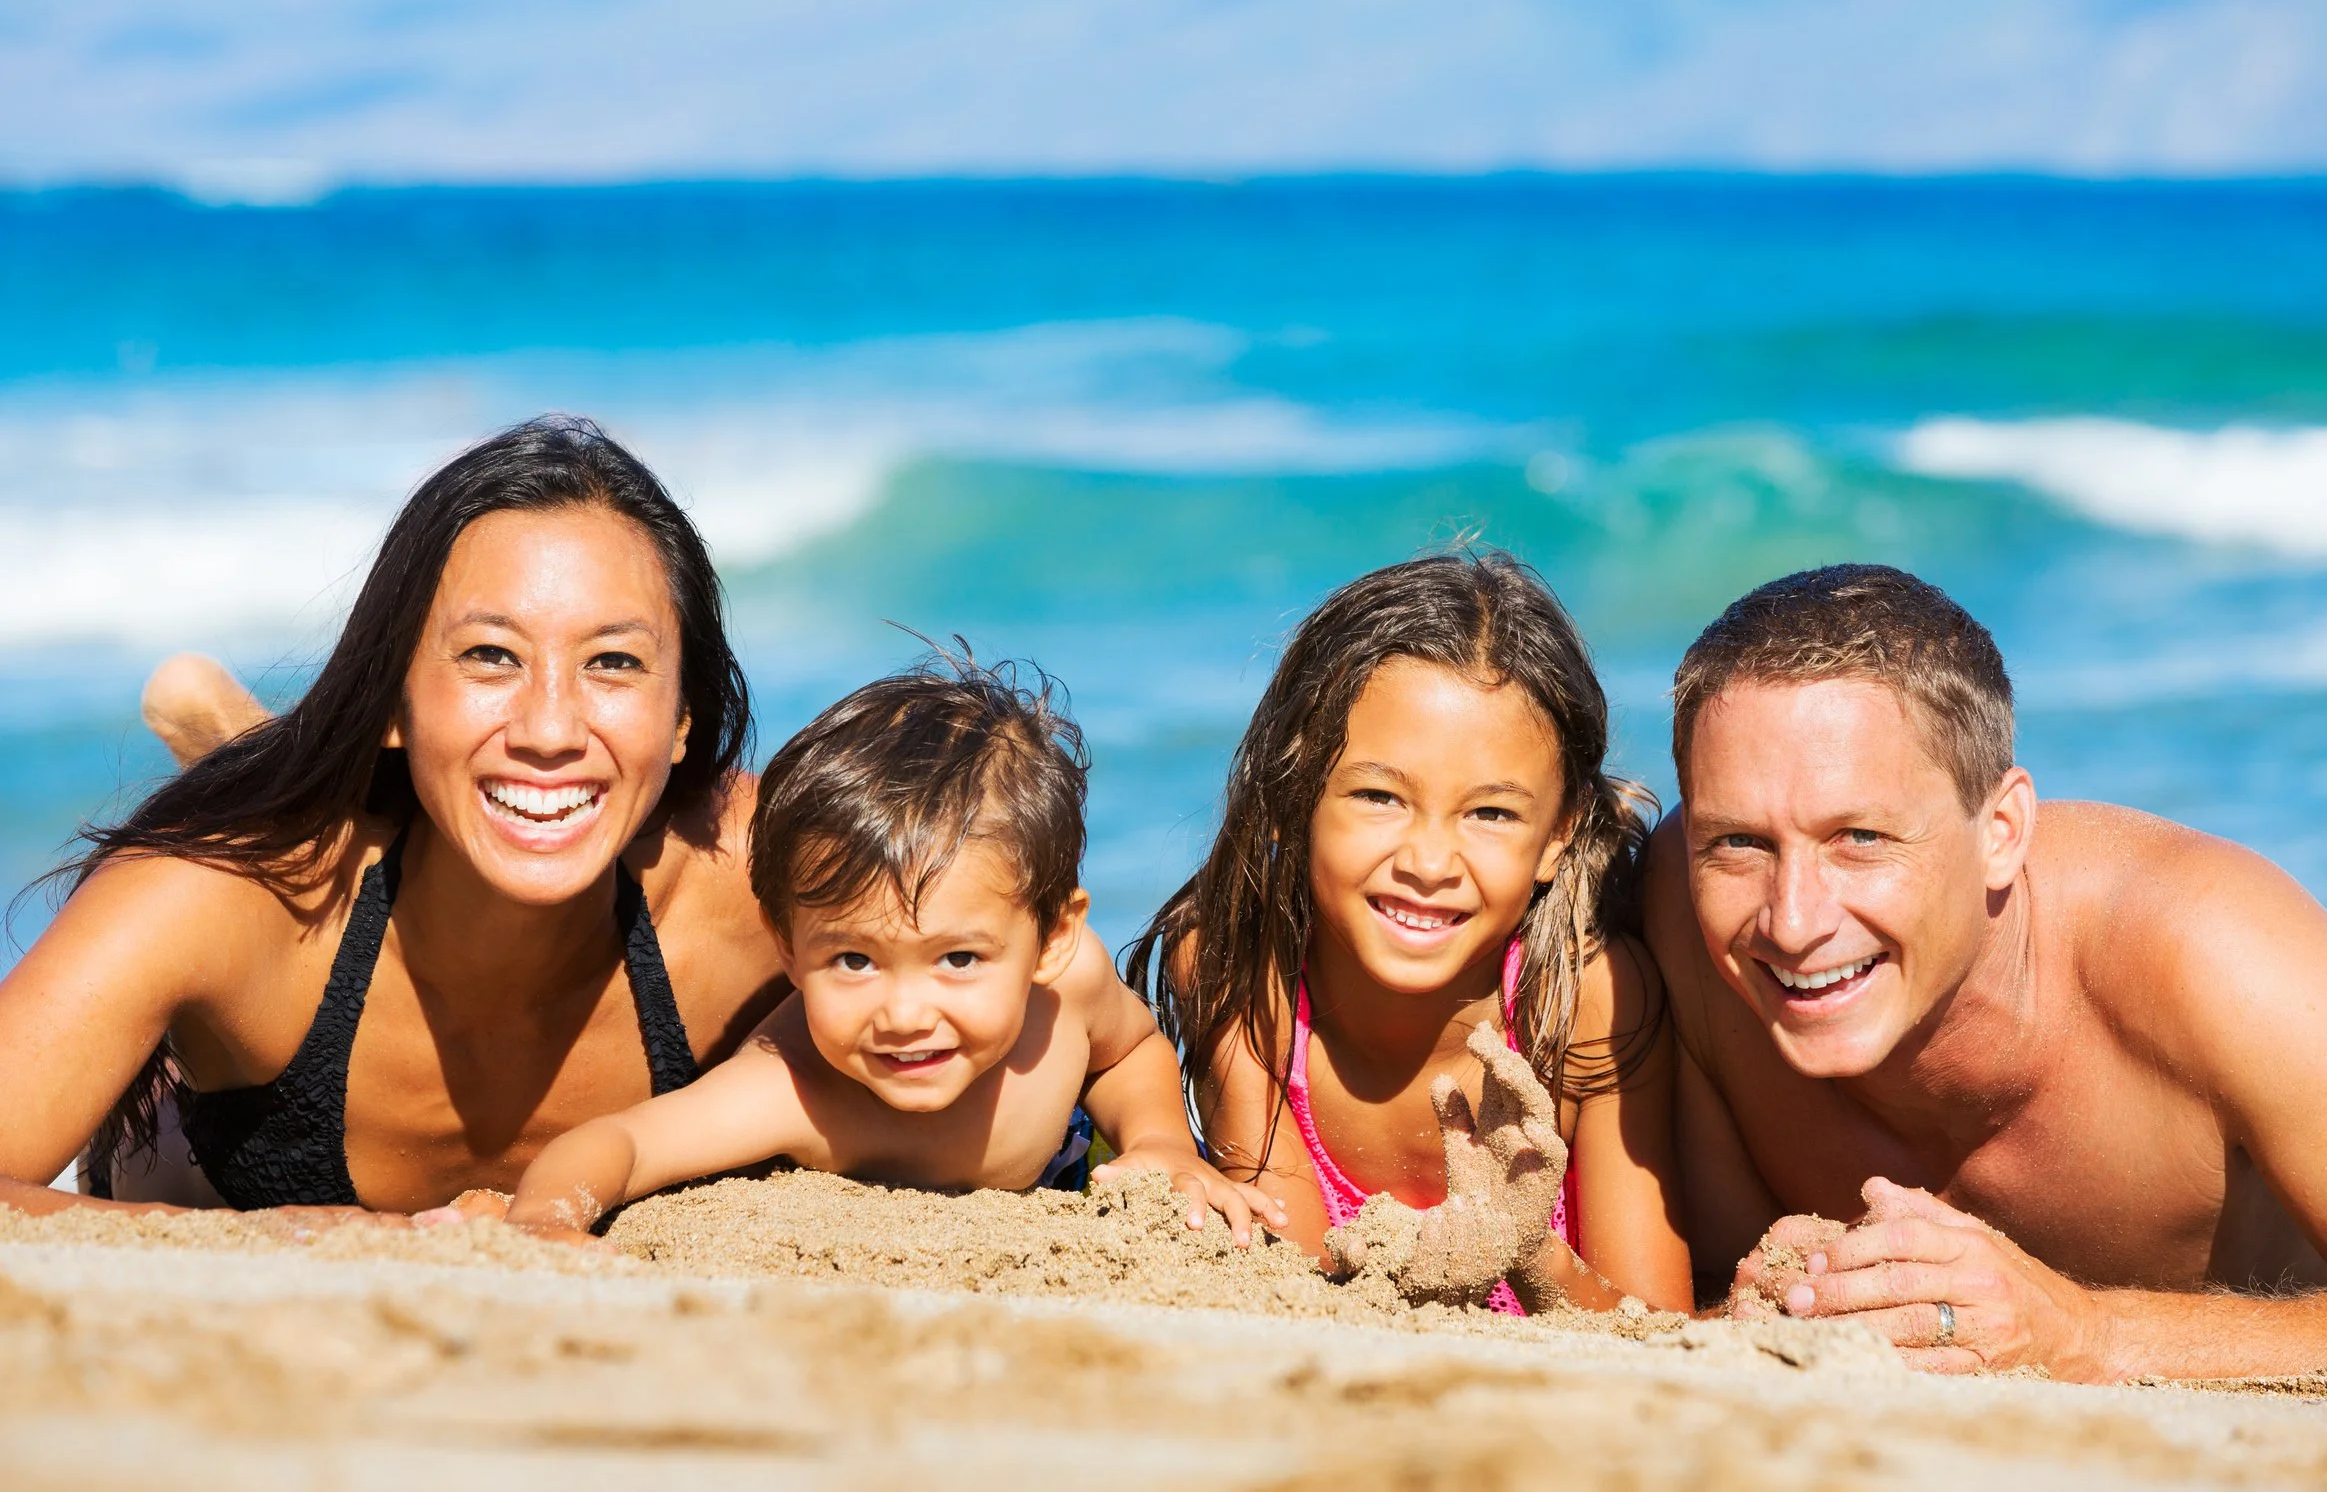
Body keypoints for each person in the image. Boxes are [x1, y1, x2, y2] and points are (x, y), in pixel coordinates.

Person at [1646, 563, 2327, 1388]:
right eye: (1738, 843)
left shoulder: (2204, 946)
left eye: (1860, 839)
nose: (1793, 921)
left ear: (2004, 830)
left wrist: (2085, 1332)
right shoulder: (1680, 919)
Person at [0, 417, 788, 1217]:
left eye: (613, 662)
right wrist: (294, 1236)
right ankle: (249, 756)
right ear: (391, 698)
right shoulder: (225, 887)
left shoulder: (770, 874)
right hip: (190, 1156)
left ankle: (251, 742)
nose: (550, 731)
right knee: (273, 825)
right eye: (491, 654)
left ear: (684, 716)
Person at [501, 656, 1276, 1244]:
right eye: (854, 961)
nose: (906, 1013)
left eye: (959, 960)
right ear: (788, 947)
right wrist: (547, 1223)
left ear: (1052, 935)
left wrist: (1162, 1142)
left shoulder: (1068, 984)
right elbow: (622, 1142)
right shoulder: (795, 1087)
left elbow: (1128, 1048)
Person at [1129, 552, 1692, 1314]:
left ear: (1558, 835)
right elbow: (1288, 1278)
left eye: (1491, 812)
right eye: (1379, 795)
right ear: (1297, 794)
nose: (1429, 862)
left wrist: (1530, 1252)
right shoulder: (1242, 964)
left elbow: (1655, 1322)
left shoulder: (1588, 1002)